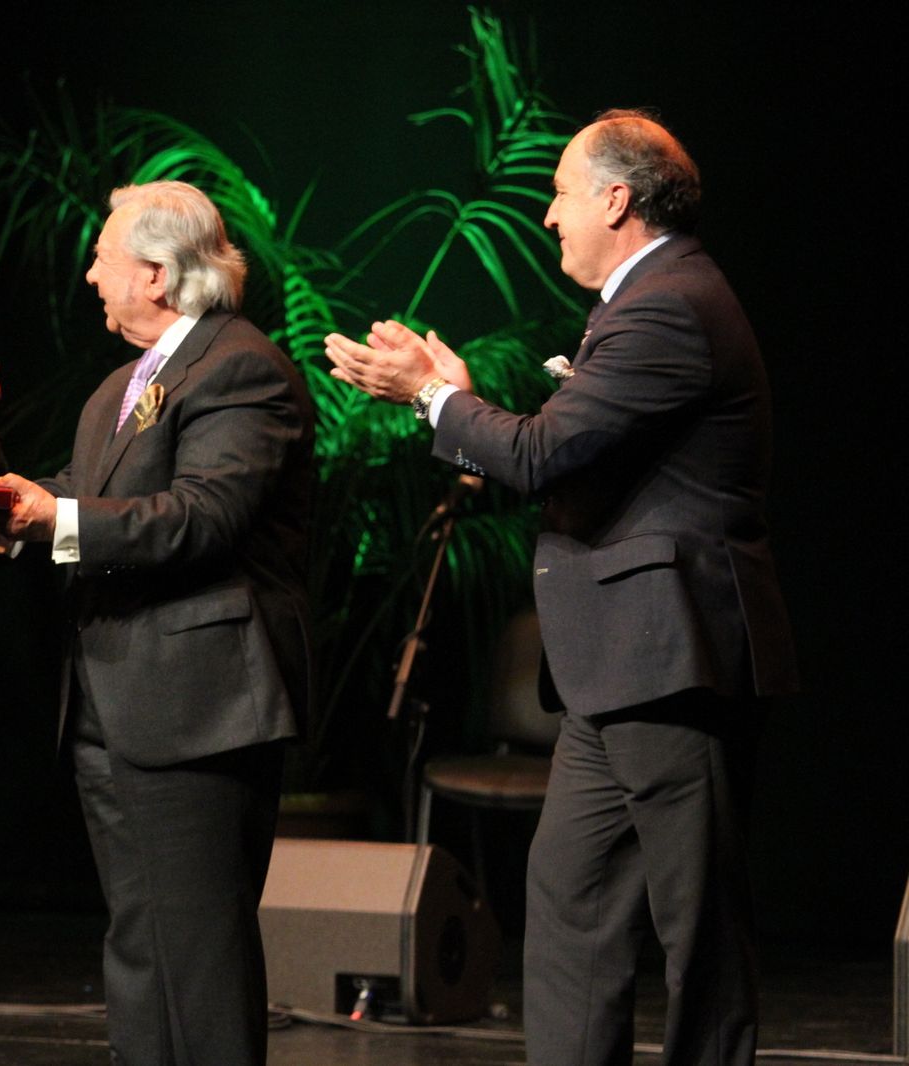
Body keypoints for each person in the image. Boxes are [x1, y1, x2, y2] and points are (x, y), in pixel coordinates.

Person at [324, 110, 797, 1066]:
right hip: (618, 671)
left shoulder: (668, 303)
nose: (546, 216)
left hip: (673, 664)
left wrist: (431, 395)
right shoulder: (645, 302)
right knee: (572, 900)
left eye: (559, 194)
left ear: (616, 199)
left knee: (696, 926)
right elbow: (570, 452)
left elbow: (541, 455)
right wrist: (455, 395)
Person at [0, 180, 314, 1066]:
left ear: (159, 274)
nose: (90, 273)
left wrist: (51, 520)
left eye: (102, 254)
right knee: (140, 946)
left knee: (198, 954)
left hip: (197, 708)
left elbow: (201, 516)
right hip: (111, 701)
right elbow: (87, 500)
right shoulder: (122, 387)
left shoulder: (241, 368)